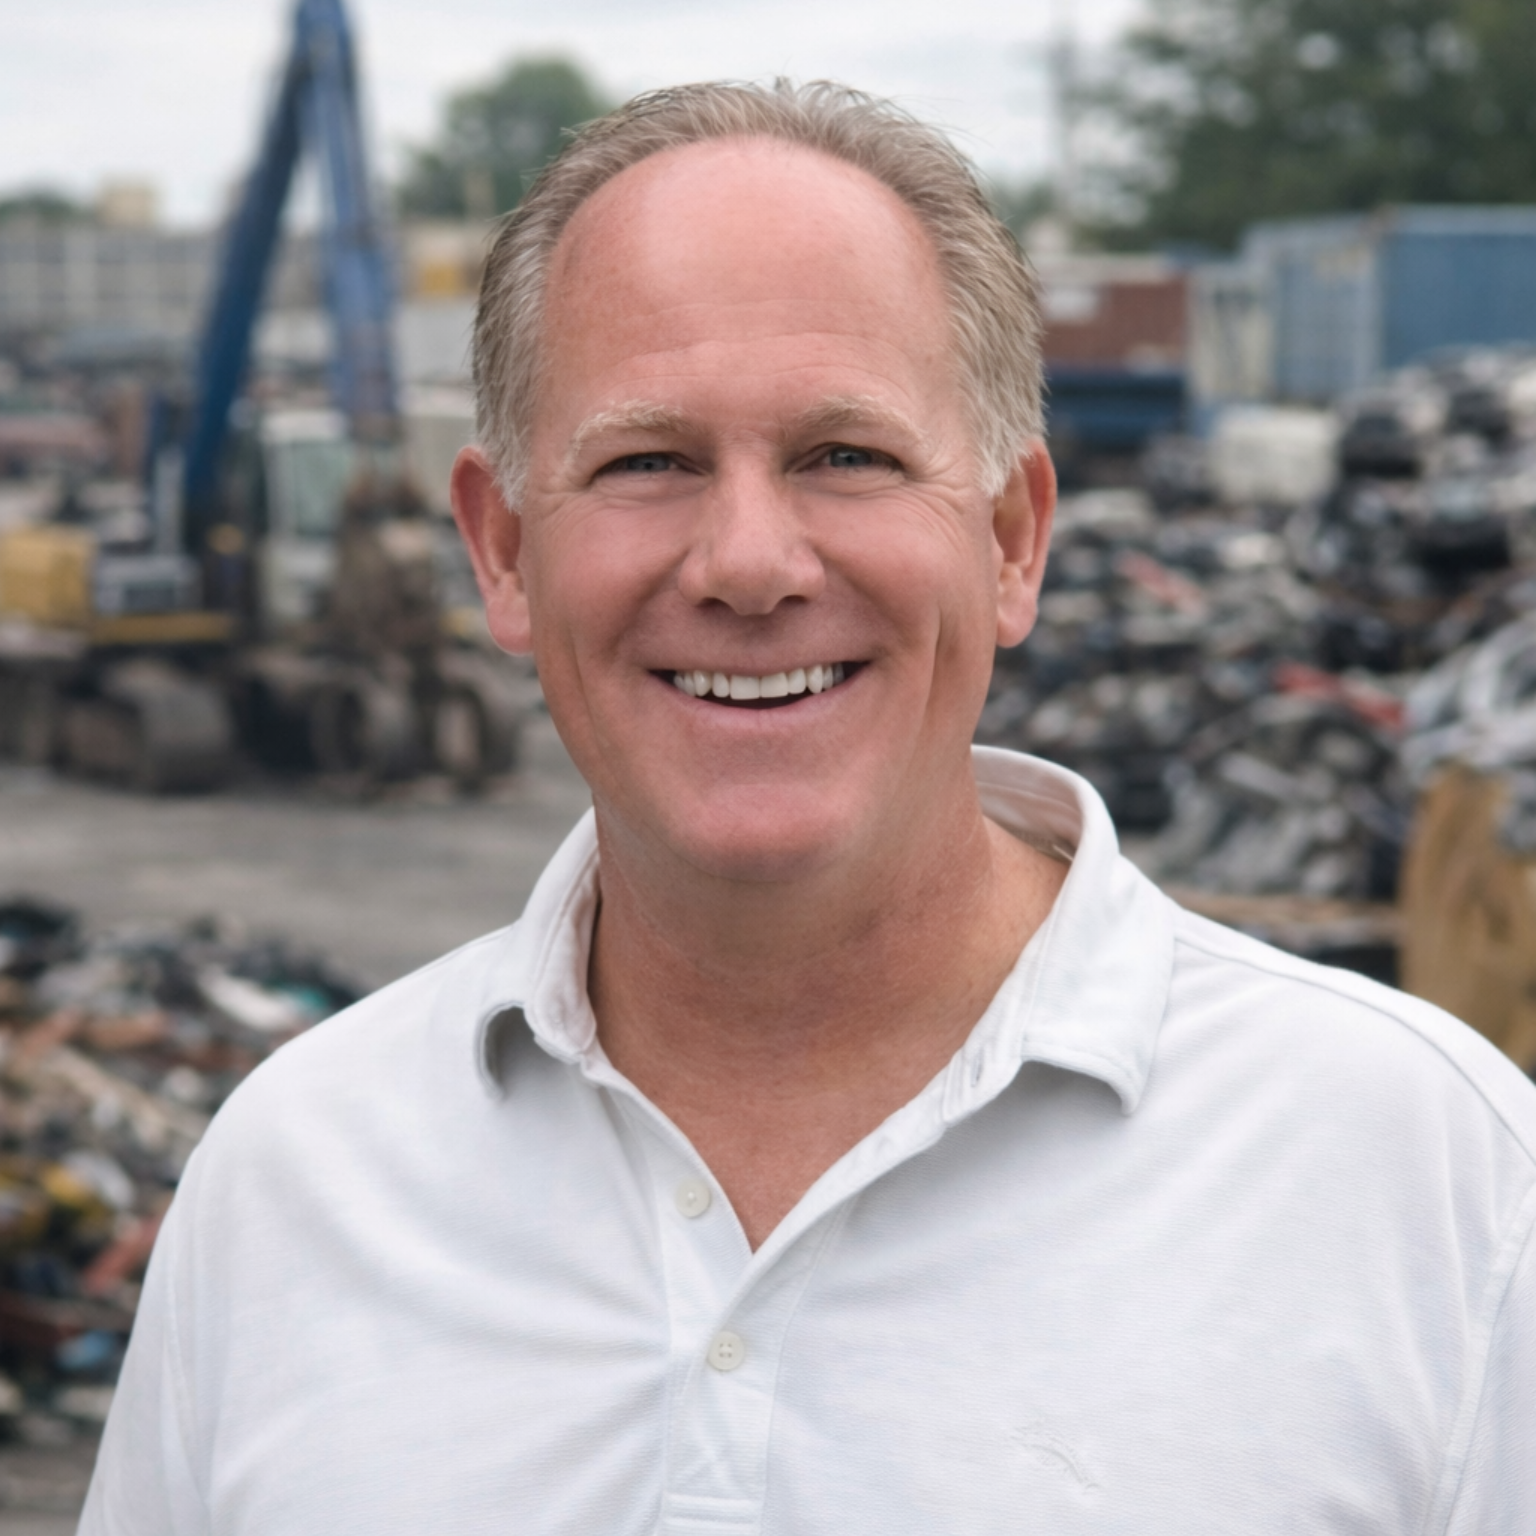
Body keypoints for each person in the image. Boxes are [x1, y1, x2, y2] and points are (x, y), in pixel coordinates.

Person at [82, 82, 1535, 1533]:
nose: (750, 563)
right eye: (648, 462)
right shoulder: (293, 1180)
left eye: (847, 457)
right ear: (505, 552)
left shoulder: (1429, 1180)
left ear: (1015, 540)